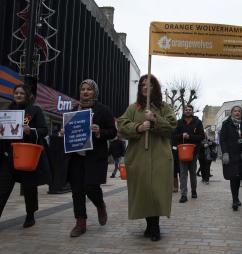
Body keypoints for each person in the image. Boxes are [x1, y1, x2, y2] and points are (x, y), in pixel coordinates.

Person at [117, 74, 177, 242]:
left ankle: (155, 226)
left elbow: (172, 126)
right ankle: (149, 224)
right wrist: (138, 127)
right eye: (142, 85)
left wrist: (155, 119)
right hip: (138, 157)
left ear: (155, 88)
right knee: (143, 191)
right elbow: (122, 125)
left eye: (149, 85)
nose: (145, 87)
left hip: (159, 157)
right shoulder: (133, 108)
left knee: (156, 191)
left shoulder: (164, 107)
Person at [61, 79, 117, 237]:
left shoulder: (103, 110)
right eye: (82, 89)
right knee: (77, 190)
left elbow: (112, 132)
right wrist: (63, 134)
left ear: (95, 92)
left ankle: (100, 205)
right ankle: (80, 222)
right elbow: (65, 129)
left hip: (94, 156)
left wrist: (100, 131)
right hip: (76, 157)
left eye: (89, 89)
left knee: (91, 186)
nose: (85, 92)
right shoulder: (73, 110)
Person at [0, 84, 50, 228]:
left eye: (22, 93)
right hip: (8, 156)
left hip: (26, 155)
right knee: (2, 188)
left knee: (29, 187)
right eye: (16, 93)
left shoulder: (34, 110)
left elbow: (44, 130)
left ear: (27, 95)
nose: (19, 95)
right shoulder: (7, 111)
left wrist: (30, 130)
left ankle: (30, 215)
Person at [173, 104, 204, 203]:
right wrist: (181, 135)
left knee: (192, 173)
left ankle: (194, 190)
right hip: (182, 152)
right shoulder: (179, 123)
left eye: (189, 109)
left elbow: (201, 137)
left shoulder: (198, 122)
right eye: (186, 109)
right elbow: (174, 136)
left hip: (193, 152)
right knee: (182, 174)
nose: (187, 111)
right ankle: (183, 195)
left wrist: (189, 136)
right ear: (183, 111)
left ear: (192, 111)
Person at [220, 105, 242, 211]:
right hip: (231, 155)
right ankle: (235, 199)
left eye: (239, 111)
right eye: (235, 111)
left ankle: (237, 197)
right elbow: (223, 139)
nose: (237, 113)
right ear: (231, 113)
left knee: (239, 177)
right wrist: (225, 153)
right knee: (233, 177)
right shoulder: (226, 124)